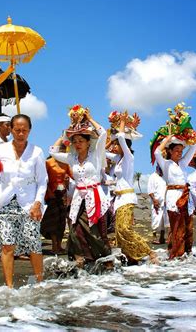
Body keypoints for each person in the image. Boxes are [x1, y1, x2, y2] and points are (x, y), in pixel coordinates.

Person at [0, 114, 47, 287]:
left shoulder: (36, 151)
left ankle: (39, 282)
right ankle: (9, 286)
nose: (21, 133)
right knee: (7, 245)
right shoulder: (1, 150)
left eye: (24, 130)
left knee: (33, 244)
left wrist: (38, 203)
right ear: (11, 129)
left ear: (29, 131)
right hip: (5, 201)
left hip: (29, 203)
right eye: (17, 130)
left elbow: (42, 181)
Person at [50, 107, 111, 268]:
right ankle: (83, 260)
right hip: (78, 198)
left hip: (95, 197)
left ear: (88, 142)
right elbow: (53, 151)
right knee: (75, 228)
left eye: (81, 141)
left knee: (96, 231)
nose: (77, 144)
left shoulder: (96, 155)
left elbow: (103, 133)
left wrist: (89, 118)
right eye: (74, 141)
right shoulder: (72, 158)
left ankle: (107, 261)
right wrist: (67, 130)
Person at [109, 112, 158, 264]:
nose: (114, 146)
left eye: (116, 144)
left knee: (124, 229)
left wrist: (123, 124)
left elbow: (122, 138)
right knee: (119, 233)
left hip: (127, 198)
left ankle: (149, 251)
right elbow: (100, 153)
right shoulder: (117, 159)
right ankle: (131, 259)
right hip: (118, 199)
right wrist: (112, 138)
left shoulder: (129, 157)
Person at [154, 134, 196, 259]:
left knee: (188, 226)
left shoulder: (183, 163)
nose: (179, 153)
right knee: (177, 226)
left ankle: (186, 252)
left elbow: (193, 146)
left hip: (185, 196)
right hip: (173, 196)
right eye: (176, 150)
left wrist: (186, 136)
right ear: (170, 151)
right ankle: (177, 254)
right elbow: (157, 152)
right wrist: (167, 140)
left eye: (181, 151)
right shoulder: (166, 164)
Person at [41, 144, 72, 254]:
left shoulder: (66, 163)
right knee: (53, 221)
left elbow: (73, 175)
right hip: (51, 193)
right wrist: (49, 193)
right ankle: (54, 246)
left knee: (61, 221)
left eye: (64, 150)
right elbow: (43, 180)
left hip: (62, 193)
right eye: (60, 150)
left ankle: (59, 246)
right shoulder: (48, 162)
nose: (62, 152)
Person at [148, 165, 167, 244]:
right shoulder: (152, 177)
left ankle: (162, 238)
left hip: (164, 203)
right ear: (157, 167)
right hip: (156, 202)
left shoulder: (165, 177)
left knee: (163, 221)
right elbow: (150, 190)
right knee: (155, 220)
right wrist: (154, 200)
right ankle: (154, 237)